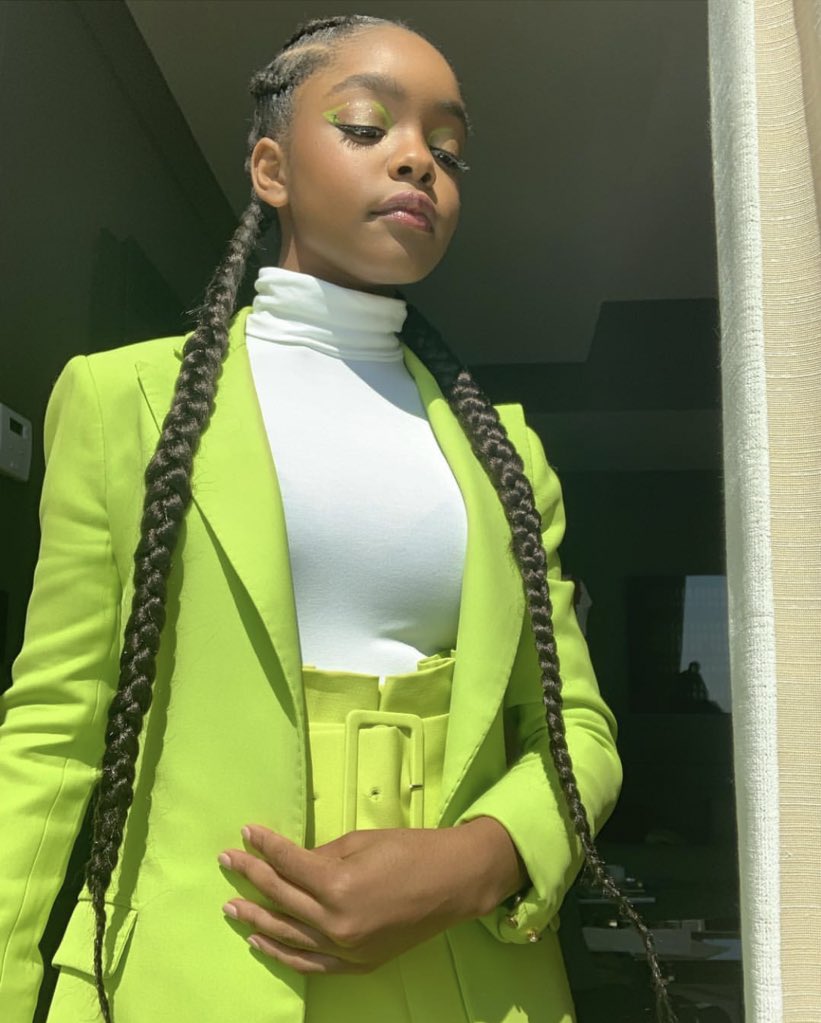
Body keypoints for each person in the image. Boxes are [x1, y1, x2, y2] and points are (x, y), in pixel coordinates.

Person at [0, 14, 674, 1023]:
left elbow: (576, 729)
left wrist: (476, 860)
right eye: (365, 126)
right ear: (269, 169)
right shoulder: (120, 404)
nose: (417, 160)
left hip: (468, 983)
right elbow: (53, 735)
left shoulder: (506, 455)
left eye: (447, 150)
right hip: (180, 985)